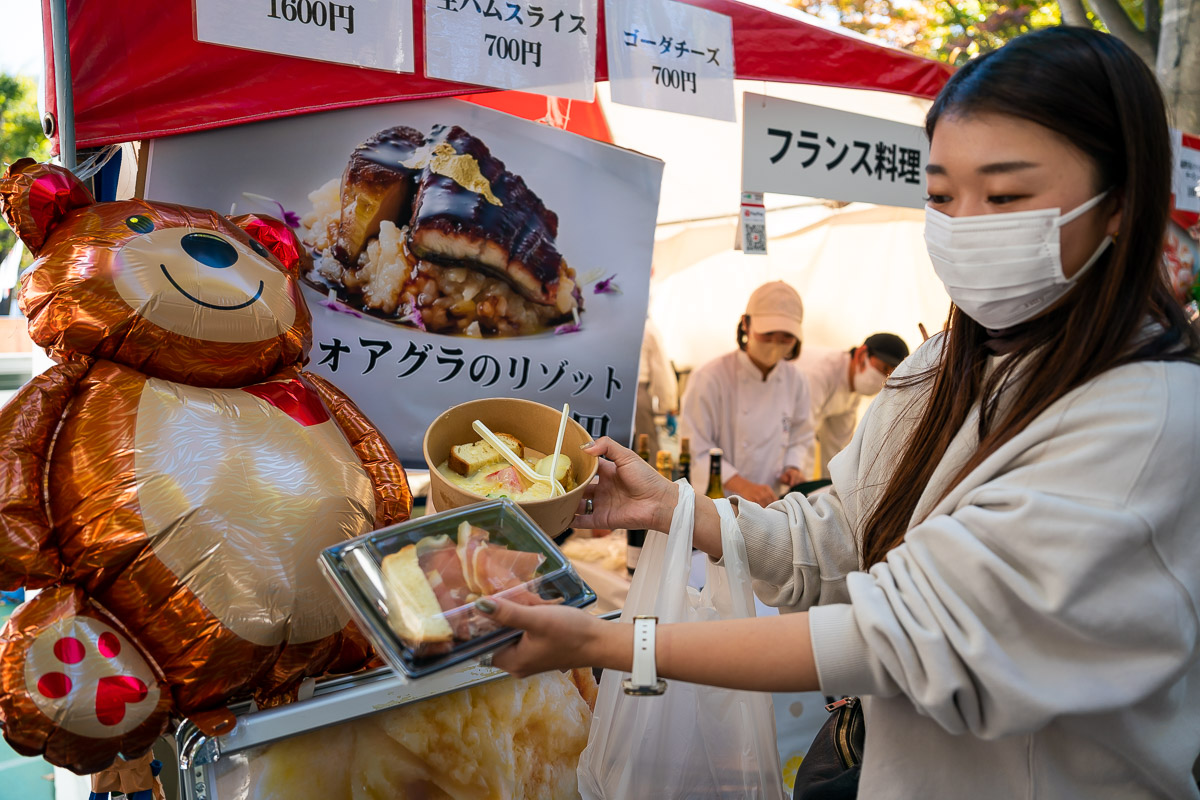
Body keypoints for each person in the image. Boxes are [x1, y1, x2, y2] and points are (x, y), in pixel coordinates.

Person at [471, 27, 1200, 799]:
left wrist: (611, 643)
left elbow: (897, 634)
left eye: (1007, 196)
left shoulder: (1151, 420)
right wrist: (677, 506)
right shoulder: (940, 366)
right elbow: (843, 532)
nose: (964, 224)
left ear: (1120, 203)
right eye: (943, 196)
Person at [678, 281, 815, 506]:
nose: (775, 344)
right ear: (746, 324)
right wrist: (743, 486)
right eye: (768, 334)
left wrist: (793, 467)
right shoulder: (710, 377)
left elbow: (801, 437)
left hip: (773, 504)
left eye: (785, 337)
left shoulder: (797, 380)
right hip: (718, 504)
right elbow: (698, 449)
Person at [797, 332, 909, 479]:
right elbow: (802, 431)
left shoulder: (853, 393)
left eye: (891, 374)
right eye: (884, 368)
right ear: (862, 354)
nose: (885, 377)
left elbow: (837, 448)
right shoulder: (822, 373)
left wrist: (829, 488)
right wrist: (800, 484)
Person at [632, 318, 678, 457]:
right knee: (646, 455)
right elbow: (661, 371)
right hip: (638, 398)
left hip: (607, 394)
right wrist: (669, 407)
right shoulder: (646, 328)